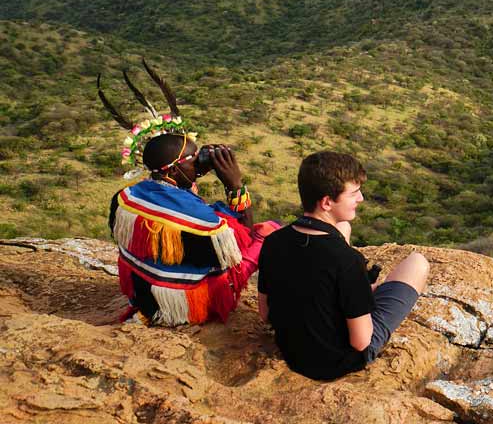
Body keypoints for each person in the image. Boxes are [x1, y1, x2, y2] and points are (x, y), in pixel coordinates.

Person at [100, 62, 279, 325]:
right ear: (173, 171)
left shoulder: (125, 198)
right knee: (268, 232)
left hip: (141, 293)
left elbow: (180, 211)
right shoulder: (201, 221)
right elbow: (237, 246)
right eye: (193, 160)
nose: (199, 163)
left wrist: (192, 177)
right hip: (182, 306)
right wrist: (235, 185)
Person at [258, 152, 429, 380]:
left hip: (292, 351)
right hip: (337, 362)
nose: (361, 199)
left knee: (343, 228)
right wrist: (362, 299)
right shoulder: (348, 261)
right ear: (327, 202)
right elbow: (361, 342)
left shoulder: (273, 242)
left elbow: (265, 314)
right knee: (418, 263)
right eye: (354, 193)